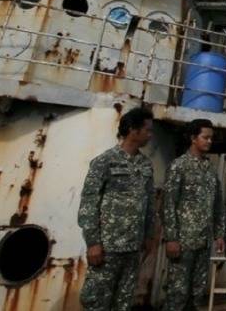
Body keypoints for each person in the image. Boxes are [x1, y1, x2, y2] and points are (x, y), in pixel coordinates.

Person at [78, 108, 156, 311]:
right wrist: (93, 243)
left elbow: (149, 203)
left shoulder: (145, 165)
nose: (150, 134)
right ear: (132, 130)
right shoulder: (105, 161)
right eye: (147, 130)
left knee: (124, 302)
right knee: (96, 301)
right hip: (108, 247)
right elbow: (88, 204)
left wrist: (148, 236)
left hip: (133, 248)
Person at [163, 118, 225, 310]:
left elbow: (217, 204)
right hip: (183, 241)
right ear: (193, 138)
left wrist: (219, 234)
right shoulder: (178, 166)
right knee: (177, 294)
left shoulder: (210, 169)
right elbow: (168, 204)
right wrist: (172, 238)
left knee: (197, 295)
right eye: (205, 137)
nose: (209, 141)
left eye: (211, 138)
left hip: (204, 242)